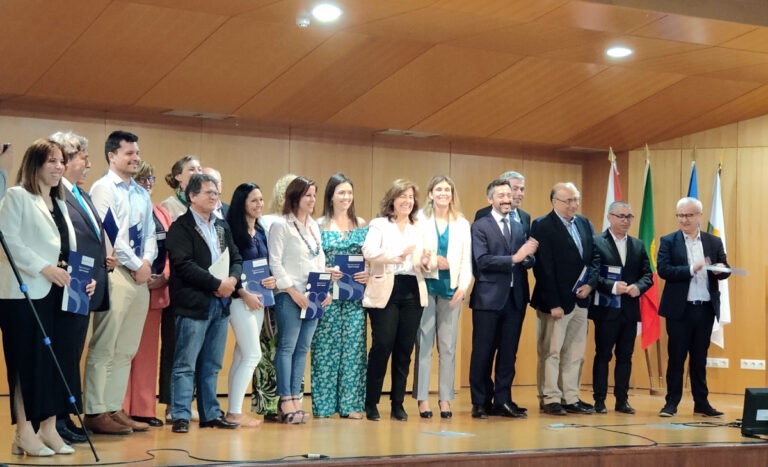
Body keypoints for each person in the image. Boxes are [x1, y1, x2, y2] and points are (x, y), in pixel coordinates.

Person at [0, 138, 92, 456]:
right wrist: (44, 268)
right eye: (52, 161)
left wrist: (84, 280)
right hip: (25, 294)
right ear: (35, 164)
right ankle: (24, 433)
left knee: (57, 362)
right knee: (26, 364)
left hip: (61, 293)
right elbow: (8, 240)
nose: (59, 167)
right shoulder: (17, 197)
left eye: (61, 161)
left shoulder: (60, 203)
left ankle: (49, 429)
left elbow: (67, 250)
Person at [83, 130, 157, 435]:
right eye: (129, 153)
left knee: (126, 348)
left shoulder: (140, 192)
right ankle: (95, 410)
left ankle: (114, 407)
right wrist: (137, 264)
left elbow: (150, 233)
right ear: (112, 156)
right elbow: (109, 234)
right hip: (117, 274)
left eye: (137, 153)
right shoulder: (103, 188)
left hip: (140, 276)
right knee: (105, 344)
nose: (136, 158)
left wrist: (147, 262)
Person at [167, 173, 243, 433]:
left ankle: (210, 413)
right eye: (208, 192)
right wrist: (216, 284)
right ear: (192, 196)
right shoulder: (181, 227)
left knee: (212, 364)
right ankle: (180, 414)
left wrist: (232, 280)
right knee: (185, 364)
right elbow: (184, 265)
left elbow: (236, 258)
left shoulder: (221, 226)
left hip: (220, 304)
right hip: (193, 304)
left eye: (216, 193)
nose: (214, 197)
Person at [50, 131, 113, 444]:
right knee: (61, 354)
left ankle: (65, 415)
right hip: (66, 284)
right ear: (65, 160)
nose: (89, 164)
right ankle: (55, 420)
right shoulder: (55, 194)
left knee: (73, 352)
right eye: (83, 159)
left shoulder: (81, 194)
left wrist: (105, 258)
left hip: (85, 284)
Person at [268, 176, 338, 424]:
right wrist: (293, 292)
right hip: (290, 295)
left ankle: (295, 398)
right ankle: (285, 398)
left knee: (302, 349)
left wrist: (325, 289)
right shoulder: (281, 226)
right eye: (307, 195)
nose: (312, 200)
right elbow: (275, 263)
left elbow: (318, 261)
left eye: (314, 195)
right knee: (287, 347)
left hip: (312, 295)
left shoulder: (314, 226)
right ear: (295, 197)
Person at [468, 179, 538, 419]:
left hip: (515, 299)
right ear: (490, 199)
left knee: (509, 353)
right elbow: (482, 261)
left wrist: (528, 258)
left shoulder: (518, 226)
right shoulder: (480, 226)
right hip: (488, 299)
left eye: (509, 195)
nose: (507, 199)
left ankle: (503, 400)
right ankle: (480, 402)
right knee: (482, 353)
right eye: (501, 196)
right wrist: (515, 258)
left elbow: (526, 258)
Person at [657, 197, 730, 418]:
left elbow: (725, 268)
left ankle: (702, 403)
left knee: (699, 358)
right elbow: (664, 270)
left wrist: (720, 269)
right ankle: (671, 403)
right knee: (676, 358)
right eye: (680, 215)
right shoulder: (669, 241)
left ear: (699, 216)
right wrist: (691, 268)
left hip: (705, 309)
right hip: (680, 310)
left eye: (688, 215)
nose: (684, 220)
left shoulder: (713, 241)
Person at [362, 179, 428, 422]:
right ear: (392, 199)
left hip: (413, 290)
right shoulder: (379, 224)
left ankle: (397, 403)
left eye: (411, 197)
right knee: (382, 346)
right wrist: (397, 256)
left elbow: (426, 258)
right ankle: (371, 402)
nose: (407, 201)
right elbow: (368, 251)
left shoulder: (418, 226)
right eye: (403, 196)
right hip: (386, 289)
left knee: (404, 350)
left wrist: (427, 261)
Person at [531, 182, 598, 416]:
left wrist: (590, 284)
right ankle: (550, 397)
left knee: (575, 352)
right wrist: (553, 303)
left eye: (575, 199)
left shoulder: (584, 223)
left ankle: (570, 397)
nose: (573, 205)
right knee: (551, 351)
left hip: (581, 299)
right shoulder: (542, 225)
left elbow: (594, 258)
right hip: (556, 303)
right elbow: (543, 268)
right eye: (568, 200)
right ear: (554, 202)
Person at [412, 175, 472, 419]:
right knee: (424, 345)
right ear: (430, 193)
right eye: (439, 189)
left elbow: (467, 260)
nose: (443, 193)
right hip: (426, 287)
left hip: (452, 290)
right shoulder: (419, 220)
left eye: (447, 189)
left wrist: (463, 287)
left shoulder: (462, 223)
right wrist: (432, 262)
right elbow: (416, 255)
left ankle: (445, 399)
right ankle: (422, 398)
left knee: (448, 347)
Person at [311, 173, 369, 419]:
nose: (346, 197)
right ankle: (323, 406)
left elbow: (370, 258)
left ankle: (350, 405)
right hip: (326, 294)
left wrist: (368, 273)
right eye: (341, 192)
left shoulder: (362, 224)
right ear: (331, 196)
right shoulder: (318, 224)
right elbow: (310, 259)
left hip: (354, 296)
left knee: (354, 350)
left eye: (349, 192)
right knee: (325, 348)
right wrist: (325, 269)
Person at [589, 201, 653, 415]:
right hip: (606, 308)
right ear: (610, 217)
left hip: (629, 309)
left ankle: (622, 400)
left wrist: (639, 287)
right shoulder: (597, 242)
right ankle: (599, 400)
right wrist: (612, 286)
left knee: (625, 356)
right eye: (621, 216)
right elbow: (591, 274)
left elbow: (647, 275)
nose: (626, 221)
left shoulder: (637, 245)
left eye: (629, 216)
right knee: (603, 355)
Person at [122, 162, 171, 427]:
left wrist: (164, 275)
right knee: (123, 349)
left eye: (150, 178)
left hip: (156, 287)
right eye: (142, 178)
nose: (148, 183)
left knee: (147, 352)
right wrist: (137, 272)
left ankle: (143, 408)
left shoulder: (161, 211)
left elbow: (171, 249)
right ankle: (119, 407)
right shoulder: (124, 206)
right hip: (129, 283)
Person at [224, 182, 276, 427]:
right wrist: (243, 293)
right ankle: (235, 412)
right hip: (239, 300)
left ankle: (232, 409)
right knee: (253, 354)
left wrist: (271, 279)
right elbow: (228, 267)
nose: (259, 204)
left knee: (241, 355)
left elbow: (266, 264)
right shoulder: (232, 231)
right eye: (254, 200)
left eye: (261, 200)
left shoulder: (261, 231)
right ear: (242, 203)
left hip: (260, 300)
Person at [158, 154, 202, 422]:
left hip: (201, 285)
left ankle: (187, 401)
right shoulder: (169, 206)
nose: (197, 171)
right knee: (174, 347)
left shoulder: (205, 206)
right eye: (191, 169)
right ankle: (171, 404)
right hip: (177, 285)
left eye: (199, 168)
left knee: (195, 349)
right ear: (178, 176)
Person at [252, 173, 297, 421]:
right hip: (270, 291)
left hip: (295, 294)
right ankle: (268, 404)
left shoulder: (304, 224)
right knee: (269, 349)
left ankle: (290, 399)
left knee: (292, 348)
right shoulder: (267, 221)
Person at [160, 155, 203, 222]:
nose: (197, 173)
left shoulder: (205, 203)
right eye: (191, 169)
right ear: (178, 177)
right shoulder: (168, 205)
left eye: (199, 170)